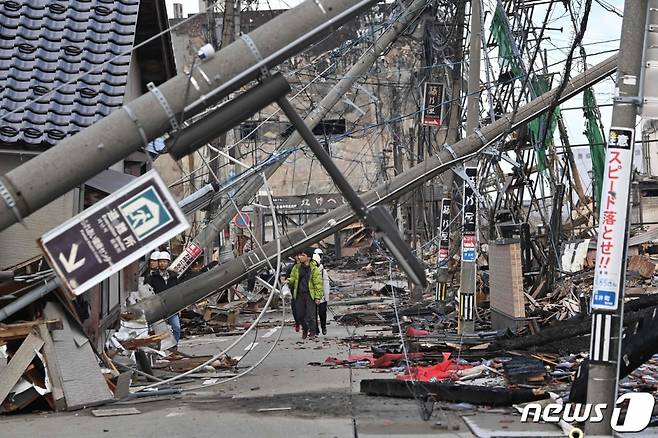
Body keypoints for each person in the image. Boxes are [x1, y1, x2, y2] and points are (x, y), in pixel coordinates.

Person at [287, 248, 323, 340]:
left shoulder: (314, 269)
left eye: (303, 255)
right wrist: (289, 281)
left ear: (309, 257)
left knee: (311, 315)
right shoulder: (297, 267)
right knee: (300, 315)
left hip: (309, 294)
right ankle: (305, 328)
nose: (300, 257)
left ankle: (312, 331)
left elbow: (318, 284)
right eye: (300, 255)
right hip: (299, 294)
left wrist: (318, 297)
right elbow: (293, 278)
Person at [145, 251, 181, 342]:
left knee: (176, 327)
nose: (162, 263)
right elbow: (148, 292)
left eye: (164, 261)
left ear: (168, 263)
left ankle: (174, 346)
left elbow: (178, 291)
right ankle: (163, 348)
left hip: (171, 306)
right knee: (159, 331)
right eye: (160, 261)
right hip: (158, 308)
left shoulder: (173, 276)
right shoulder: (153, 277)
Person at [313, 248, 330, 336]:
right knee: (313, 314)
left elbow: (326, 285)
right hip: (312, 296)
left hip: (322, 296)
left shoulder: (323, 271)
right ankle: (316, 330)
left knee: (322, 313)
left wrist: (326, 297)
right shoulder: (310, 270)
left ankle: (323, 326)